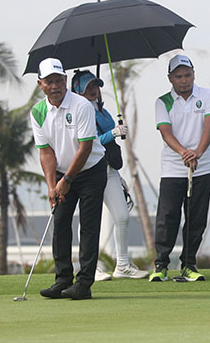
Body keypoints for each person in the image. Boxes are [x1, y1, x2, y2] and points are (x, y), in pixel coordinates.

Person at [30, 58, 107, 300]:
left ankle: (84, 283)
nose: (55, 86)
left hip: (91, 169)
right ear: (40, 84)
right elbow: (46, 152)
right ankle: (62, 279)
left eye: (58, 80)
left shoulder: (82, 105)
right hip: (64, 172)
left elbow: (84, 148)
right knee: (61, 222)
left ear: (65, 80)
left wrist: (67, 181)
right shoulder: (38, 112)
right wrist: (52, 186)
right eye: (49, 82)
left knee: (89, 226)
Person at [70, 70, 148, 280]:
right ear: (77, 91)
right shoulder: (78, 111)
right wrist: (114, 133)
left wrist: (117, 131)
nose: (94, 90)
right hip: (89, 171)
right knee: (88, 221)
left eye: (95, 86)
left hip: (109, 169)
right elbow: (89, 142)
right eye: (88, 88)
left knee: (122, 216)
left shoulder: (101, 110)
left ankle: (122, 264)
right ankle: (90, 268)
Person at [148, 54, 210, 282]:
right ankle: (161, 265)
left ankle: (189, 264)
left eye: (187, 75)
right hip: (173, 167)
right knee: (167, 216)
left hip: (203, 166)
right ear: (170, 78)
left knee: (196, 218)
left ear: (194, 74)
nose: (184, 80)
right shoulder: (163, 101)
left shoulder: (207, 95)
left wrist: (197, 152)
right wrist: (184, 153)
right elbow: (166, 133)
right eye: (178, 76)